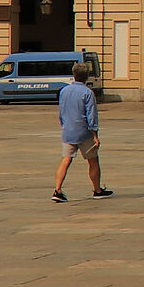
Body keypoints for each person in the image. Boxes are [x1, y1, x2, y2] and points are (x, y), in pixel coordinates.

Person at [51, 63, 111, 203]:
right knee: (93, 160)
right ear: (86, 76)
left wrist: (64, 125)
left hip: (68, 131)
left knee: (66, 160)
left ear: (74, 75)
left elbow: (61, 112)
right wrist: (95, 134)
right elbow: (92, 115)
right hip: (84, 132)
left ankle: (57, 189)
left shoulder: (64, 91)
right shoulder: (87, 92)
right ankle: (97, 189)